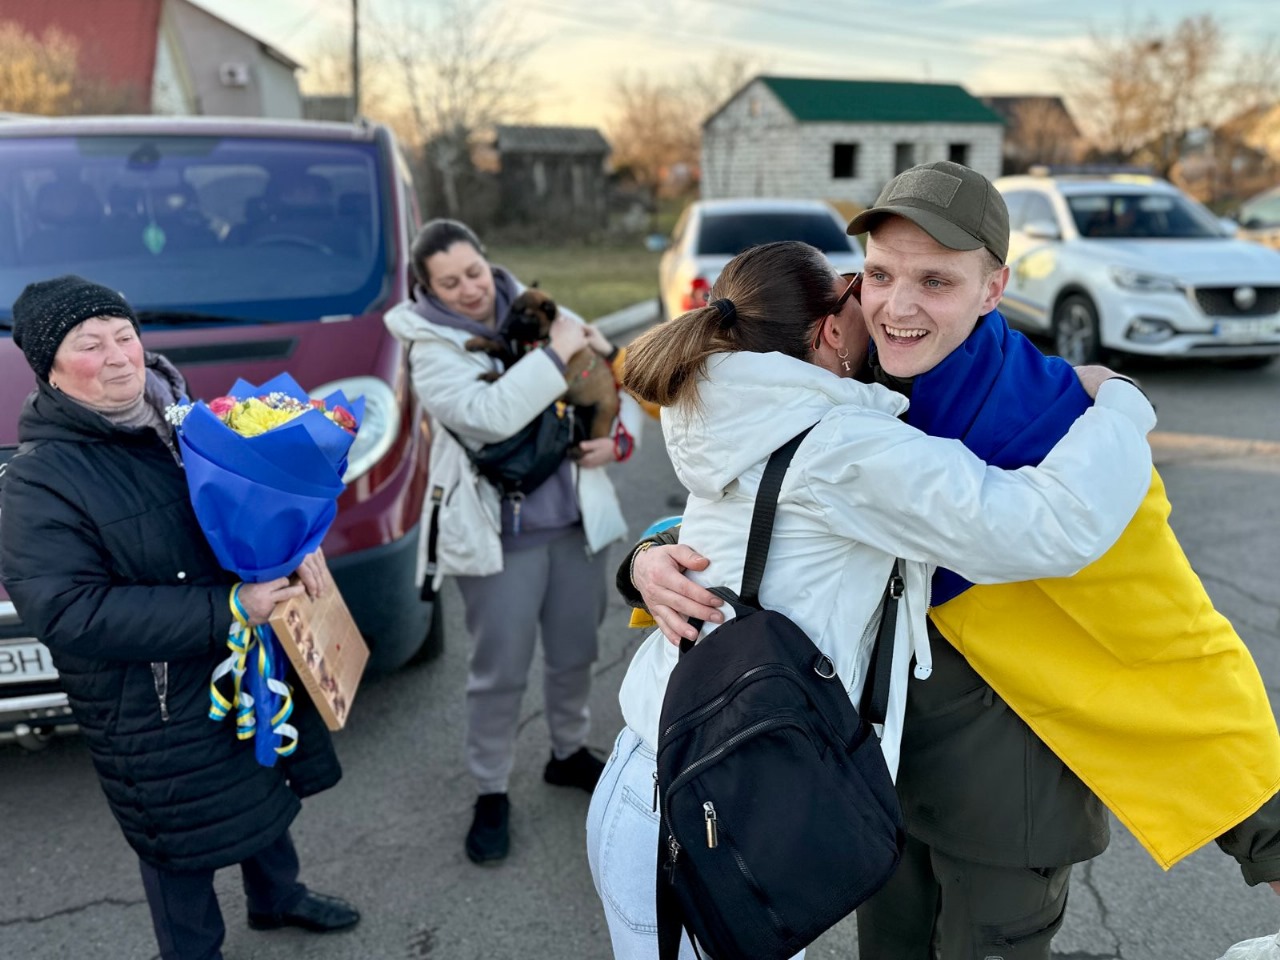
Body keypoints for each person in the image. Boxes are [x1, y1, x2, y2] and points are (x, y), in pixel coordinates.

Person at [620, 162, 1280, 957]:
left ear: (993, 288)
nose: (898, 306)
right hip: (877, 787)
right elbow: (757, 508)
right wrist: (649, 558)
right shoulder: (855, 381)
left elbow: (1166, 636)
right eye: (880, 275)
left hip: (1005, 818)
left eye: (935, 280)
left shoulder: (1052, 427)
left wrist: (1266, 837)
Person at [0, 276, 359, 960]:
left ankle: (276, 898)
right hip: (153, 699)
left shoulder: (188, 416)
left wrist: (300, 544)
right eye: (90, 344)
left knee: (263, 776)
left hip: (240, 656)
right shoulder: (40, 479)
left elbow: (250, 508)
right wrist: (226, 608)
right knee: (179, 840)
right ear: (49, 367)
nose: (118, 356)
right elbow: (67, 612)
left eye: (125, 336)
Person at [383, 219, 638, 865]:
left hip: (577, 524)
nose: (468, 290)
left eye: (473, 272)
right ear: (426, 287)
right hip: (502, 536)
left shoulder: (542, 308)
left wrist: (621, 440)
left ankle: (567, 750)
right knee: (498, 673)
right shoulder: (429, 346)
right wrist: (556, 354)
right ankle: (491, 788)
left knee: (576, 652)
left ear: (485, 262)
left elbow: (613, 375)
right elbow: (488, 416)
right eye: (449, 282)